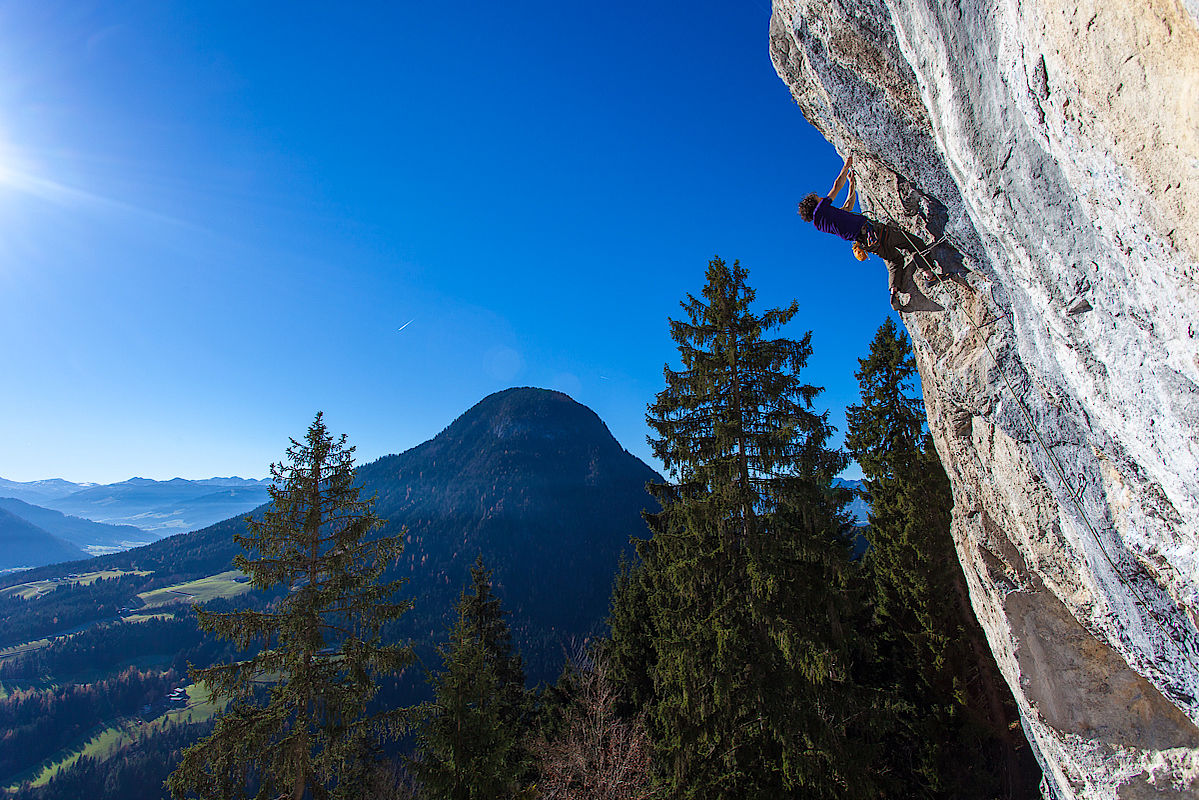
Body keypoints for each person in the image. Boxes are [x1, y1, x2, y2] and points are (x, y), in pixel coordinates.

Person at [797, 154, 942, 312]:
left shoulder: (821, 224)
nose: (822, 197)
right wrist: (846, 166)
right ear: (814, 204)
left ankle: (894, 293)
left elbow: (847, 208)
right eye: (818, 198)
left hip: (868, 243)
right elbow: (836, 186)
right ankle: (929, 275)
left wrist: (852, 185)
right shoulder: (821, 209)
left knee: (895, 261)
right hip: (875, 232)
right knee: (913, 243)